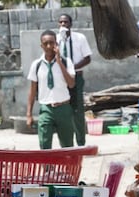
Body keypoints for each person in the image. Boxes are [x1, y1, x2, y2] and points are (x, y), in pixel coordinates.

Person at [26, 30, 76, 150]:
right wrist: (29, 114)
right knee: (44, 144)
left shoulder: (66, 61)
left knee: (67, 146)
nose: (49, 46)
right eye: (46, 43)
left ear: (56, 44)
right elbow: (32, 91)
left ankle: (67, 169)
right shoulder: (36, 65)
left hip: (63, 108)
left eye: (51, 43)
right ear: (41, 45)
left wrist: (59, 62)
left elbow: (71, 84)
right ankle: (47, 169)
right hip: (46, 109)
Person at [56, 14, 92, 146]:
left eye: (65, 22)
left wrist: (71, 68)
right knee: (64, 109)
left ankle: (81, 142)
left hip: (76, 76)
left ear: (70, 24)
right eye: (60, 22)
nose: (63, 25)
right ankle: (66, 144)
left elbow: (87, 58)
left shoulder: (79, 38)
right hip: (61, 78)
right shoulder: (56, 39)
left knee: (77, 110)